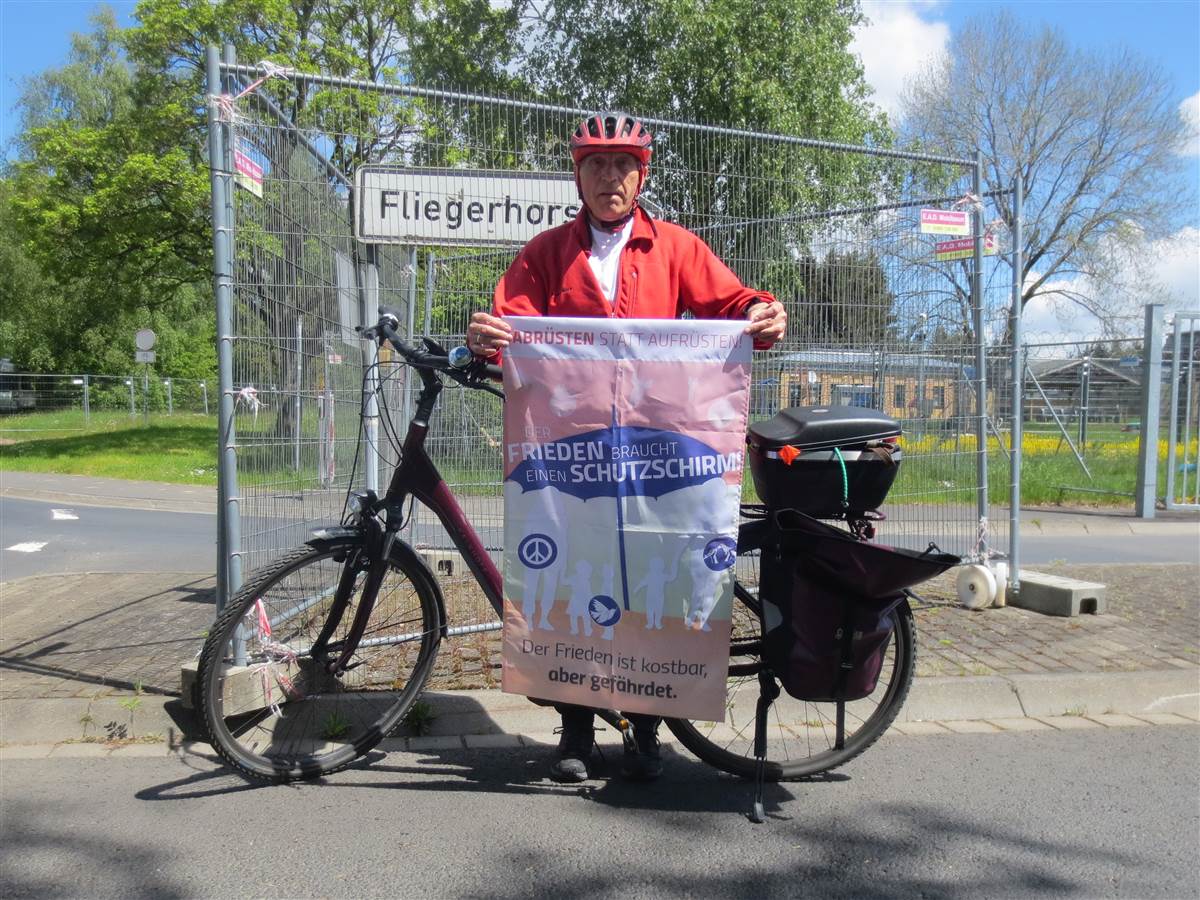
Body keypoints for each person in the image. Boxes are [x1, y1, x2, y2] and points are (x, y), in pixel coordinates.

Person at [468, 112, 787, 783]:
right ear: (577, 174)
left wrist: (762, 310)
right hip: (571, 451)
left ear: (641, 175)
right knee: (577, 576)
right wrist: (489, 335)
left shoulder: (674, 246)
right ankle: (577, 735)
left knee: (651, 570)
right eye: (595, 164)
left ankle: (646, 730)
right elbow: (513, 321)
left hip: (654, 449)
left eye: (622, 165)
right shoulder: (547, 251)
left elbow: (731, 305)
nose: (608, 177)